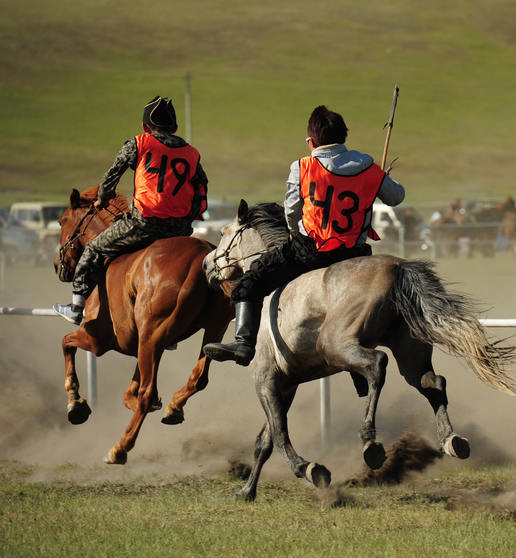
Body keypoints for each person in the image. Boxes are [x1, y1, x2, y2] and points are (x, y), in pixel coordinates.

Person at [203, 106, 405, 365]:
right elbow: (397, 197)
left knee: (250, 282)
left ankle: (243, 345)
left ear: (312, 141)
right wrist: (381, 178)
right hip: (356, 256)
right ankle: (359, 372)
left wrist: (295, 234)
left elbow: (291, 211)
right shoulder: (368, 166)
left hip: (310, 252)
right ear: (344, 137)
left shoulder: (303, 166)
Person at [54, 96, 208, 324]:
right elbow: (201, 188)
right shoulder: (192, 153)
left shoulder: (139, 143)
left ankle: (76, 308)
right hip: (179, 230)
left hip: (144, 222)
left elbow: (111, 176)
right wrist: (189, 217)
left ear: (146, 127)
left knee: (94, 249)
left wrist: (103, 198)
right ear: (175, 127)